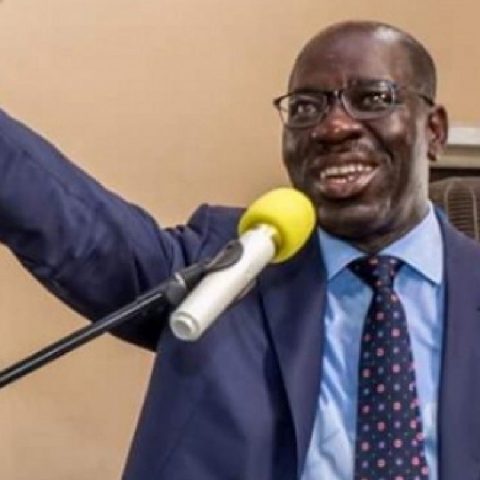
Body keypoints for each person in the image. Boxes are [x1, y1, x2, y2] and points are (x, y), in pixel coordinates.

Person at [0, 19, 477, 480]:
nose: (333, 127)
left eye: (372, 98)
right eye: (306, 107)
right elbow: (84, 233)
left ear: (434, 131)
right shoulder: (229, 265)